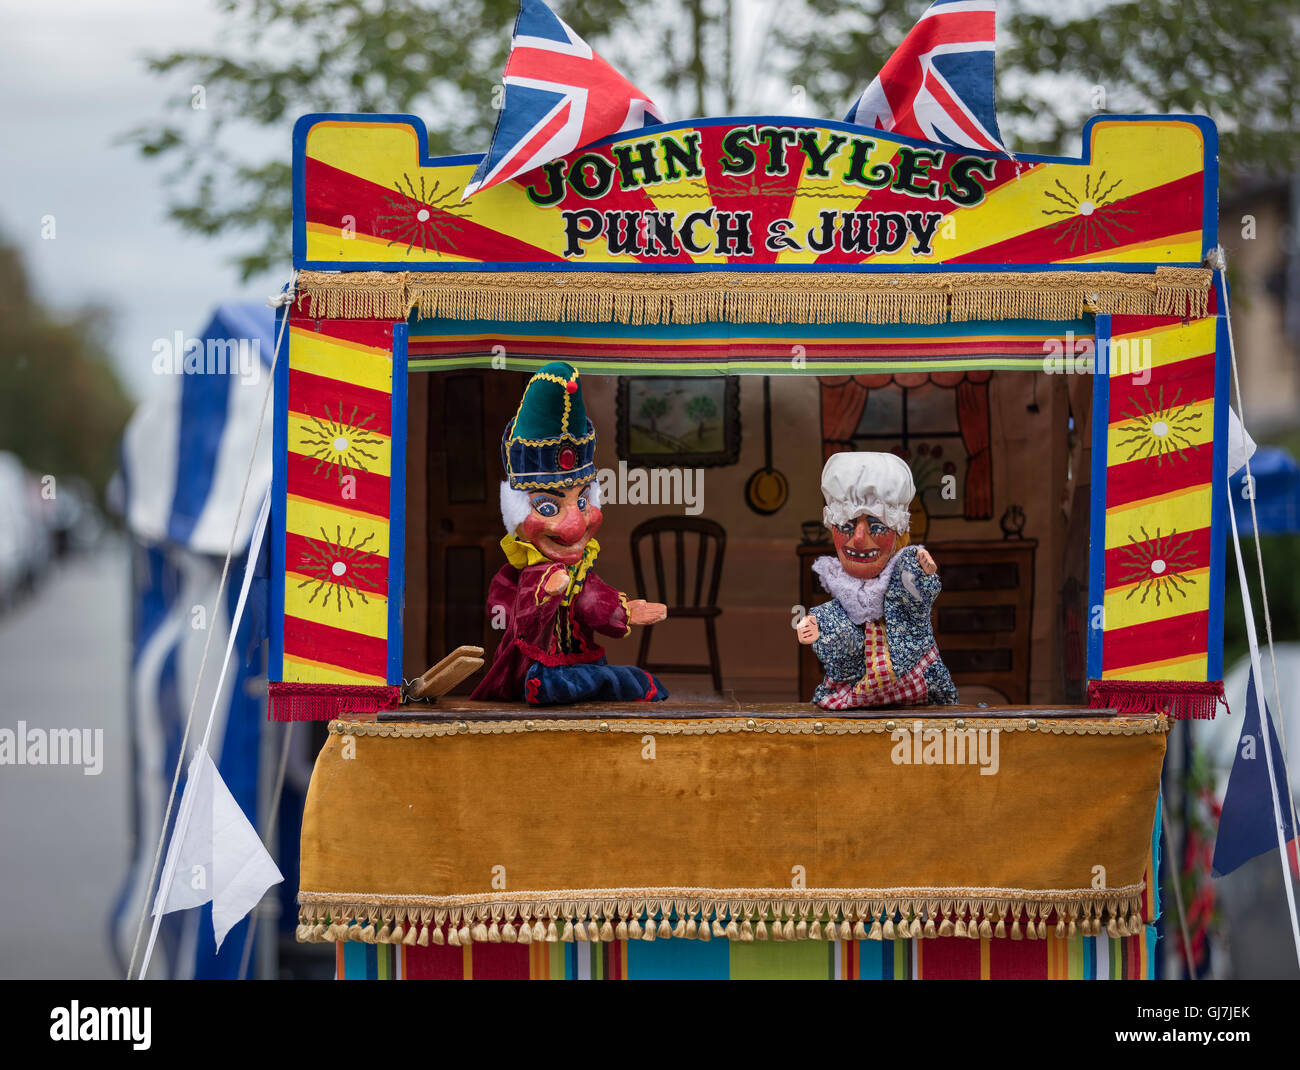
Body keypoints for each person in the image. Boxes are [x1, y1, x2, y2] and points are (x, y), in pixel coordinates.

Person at [471, 361, 669, 705]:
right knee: (553, 684)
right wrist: (545, 593)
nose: (574, 525)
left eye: (582, 501)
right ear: (517, 510)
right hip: (531, 665)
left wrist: (623, 612)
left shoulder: (579, 572)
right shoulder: (520, 577)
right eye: (548, 507)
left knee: (620, 681)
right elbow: (503, 616)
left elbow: (592, 599)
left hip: (578, 658)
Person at [795, 452, 957, 709]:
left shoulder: (904, 569)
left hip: (920, 689)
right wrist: (819, 624)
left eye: (877, 526)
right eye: (847, 524)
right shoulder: (843, 587)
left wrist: (922, 573)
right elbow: (845, 627)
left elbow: (916, 598)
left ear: (897, 531)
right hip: (857, 693)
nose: (858, 538)